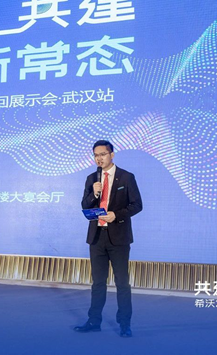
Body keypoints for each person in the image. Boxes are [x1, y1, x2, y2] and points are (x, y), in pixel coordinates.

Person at [74, 140, 143, 338]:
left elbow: (137, 205)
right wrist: (94, 193)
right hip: (97, 237)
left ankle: (125, 324)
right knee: (98, 283)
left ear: (112, 155)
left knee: (122, 283)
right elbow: (85, 206)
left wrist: (116, 215)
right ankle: (94, 321)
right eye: (96, 155)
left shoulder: (126, 177)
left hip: (119, 238)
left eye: (103, 154)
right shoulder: (91, 179)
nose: (99, 158)